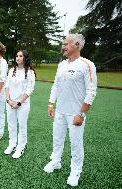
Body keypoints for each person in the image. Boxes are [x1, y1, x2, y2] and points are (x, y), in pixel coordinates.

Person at [43, 33, 97, 187]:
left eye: (66, 44)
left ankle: (75, 171)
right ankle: (56, 162)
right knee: (57, 139)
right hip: (60, 111)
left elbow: (91, 91)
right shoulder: (62, 64)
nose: (63, 47)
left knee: (76, 144)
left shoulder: (87, 64)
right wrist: (50, 104)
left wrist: (81, 114)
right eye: (63, 44)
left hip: (76, 113)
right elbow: (56, 85)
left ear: (77, 45)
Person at [4, 50, 35, 159]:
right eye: (16, 56)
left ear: (25, 58)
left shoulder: (30, 72)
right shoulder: (12, 70)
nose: (18, 58)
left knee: (22, 126)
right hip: (10, 103)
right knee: (11, 125)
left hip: (23, 104)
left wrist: (18, 103)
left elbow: (29, 90)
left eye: (20, 56)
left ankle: (21, 147)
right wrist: (8, 100)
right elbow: (7, 85)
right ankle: (12, 144)